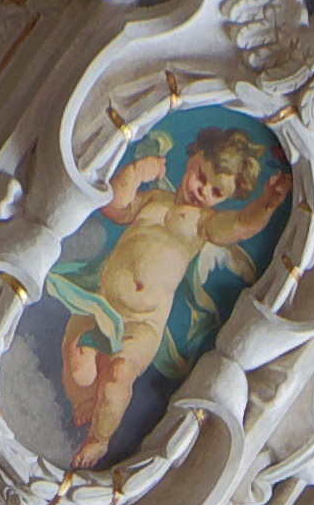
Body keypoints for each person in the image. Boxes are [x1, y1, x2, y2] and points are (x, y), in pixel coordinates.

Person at [42, 123, 291, 467]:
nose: (203, 192)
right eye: (201, 177)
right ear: (193, 158)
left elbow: (239, 225)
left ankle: (99, 441)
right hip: (102, 301)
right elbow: (113, 207)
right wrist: (136, 171)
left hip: (144, 324)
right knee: (76, 358)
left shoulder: (204, 224)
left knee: (117, 377)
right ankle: (83, 400)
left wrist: (266, 203)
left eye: (216, 192)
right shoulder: (153, 200)